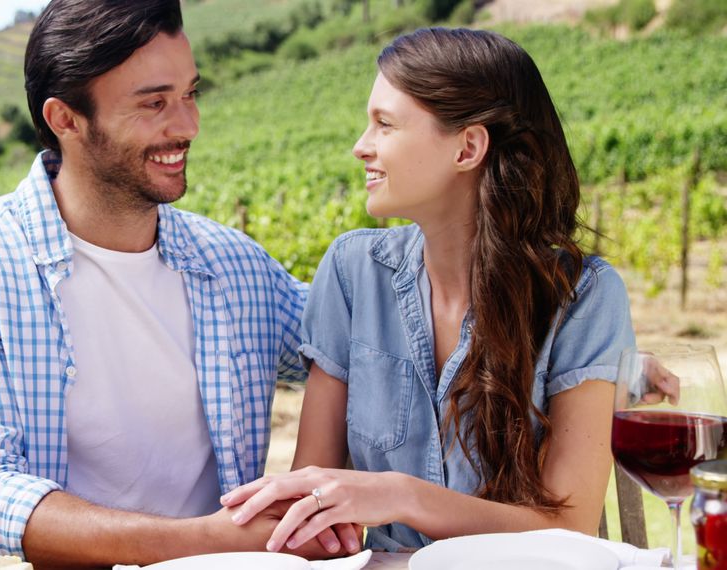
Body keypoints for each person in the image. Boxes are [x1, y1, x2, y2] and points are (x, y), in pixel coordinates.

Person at [0, 0, 356, 566]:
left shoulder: (237, 266)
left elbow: (358, 348)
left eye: (190, 94)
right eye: (153, 102)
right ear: (65, 119)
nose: (186, 125)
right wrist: (216, 539)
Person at [220, 27, 636, 553]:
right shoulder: (352, 273)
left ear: (468, 147)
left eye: (384, 125)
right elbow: (315, 500)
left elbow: (568, 528)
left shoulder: (585, 299)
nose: (360, 146)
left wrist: (399, 495)